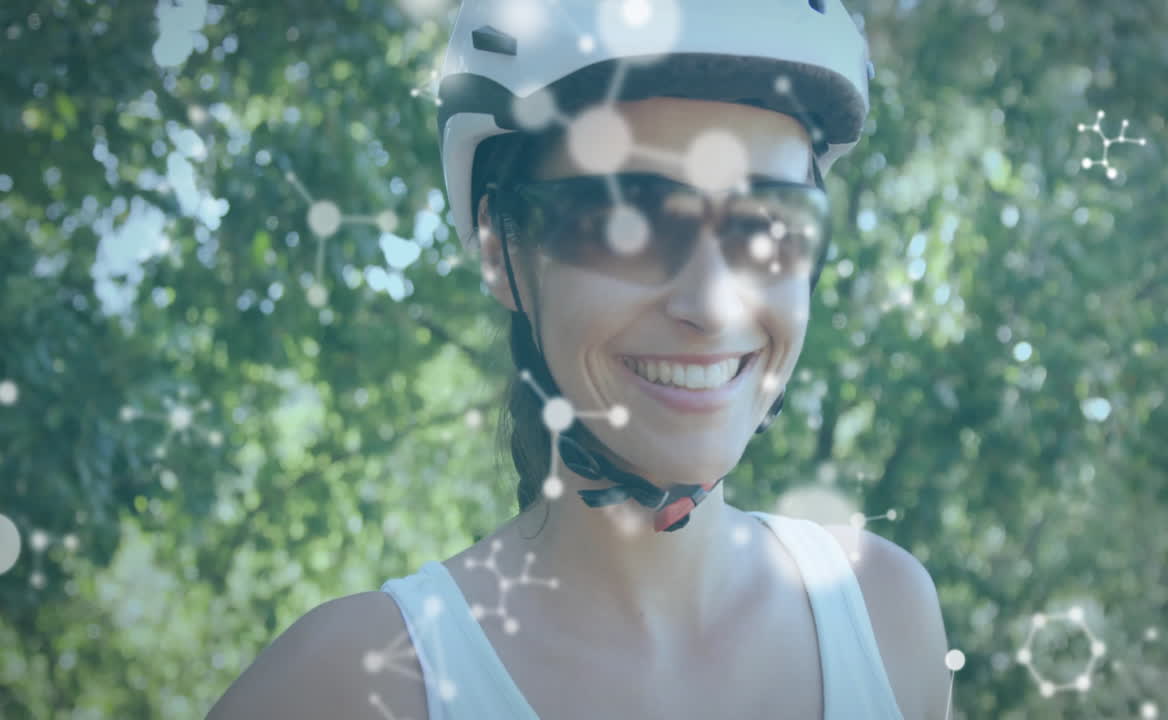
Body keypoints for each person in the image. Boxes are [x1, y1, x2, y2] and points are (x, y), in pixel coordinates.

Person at [208, 1, 951, 718]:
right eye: (627, 224)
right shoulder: (347, 687)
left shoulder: (888, 614)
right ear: (502, 252)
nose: (713, 303)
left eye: (769, 226)